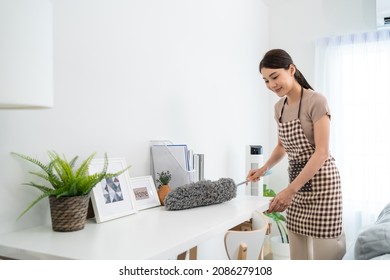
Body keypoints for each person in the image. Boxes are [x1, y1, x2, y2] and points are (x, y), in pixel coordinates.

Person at [246, 49, 346, 260]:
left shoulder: (316, 101)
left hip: (323, 189)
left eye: (275, 77)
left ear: (291, 70)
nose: (271, 85)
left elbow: (321, 153)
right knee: (298, 257)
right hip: (297, 189)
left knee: (325, 258)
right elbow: (282, 147)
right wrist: (264, 168)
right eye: (265, 80)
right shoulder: (278, 108)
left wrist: (290, 190)